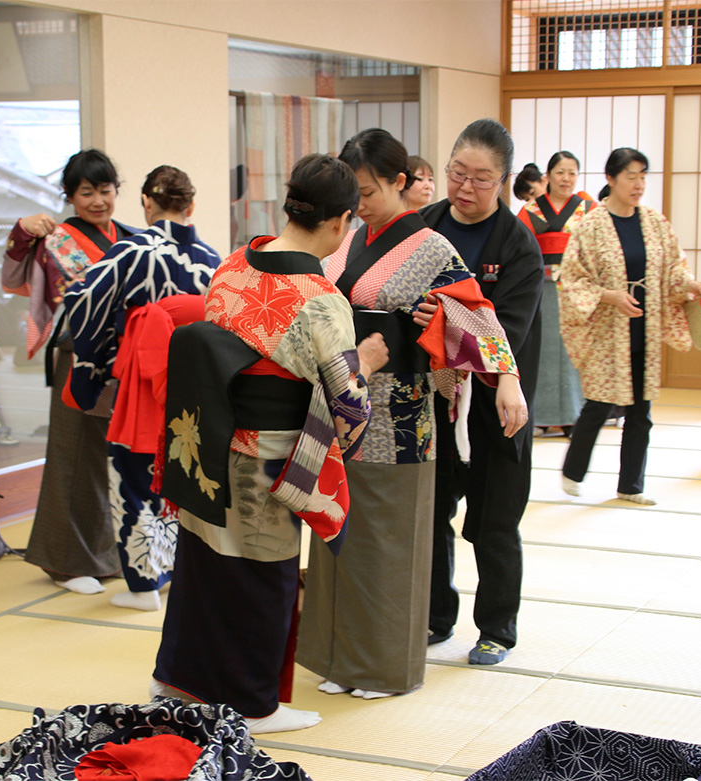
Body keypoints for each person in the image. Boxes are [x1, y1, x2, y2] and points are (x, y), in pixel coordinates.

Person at [151, 154, 386, 734]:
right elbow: (349, 409)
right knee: (264, 578)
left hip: (207, 441)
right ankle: (256, 705)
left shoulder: (233, 265)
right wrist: (369, 362)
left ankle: (181, 679)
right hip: (269, 456)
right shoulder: (320, 297)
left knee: (205, 566)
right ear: (342, 223)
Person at [297, 129, 526, 699]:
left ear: (400, 183)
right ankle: (340, 656)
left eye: (369, 191)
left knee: (387, 539)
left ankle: (381, 666)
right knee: (338, 531)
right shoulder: (352, 240)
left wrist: (504, 377)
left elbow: (480, 320)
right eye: (355, 195)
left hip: (399, 413)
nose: (360, 205)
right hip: (343, 402)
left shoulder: (432, 248)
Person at [62, 165, 221, 611]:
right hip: (193, 385)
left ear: (147, 205)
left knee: (134, 475)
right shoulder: (214, 259)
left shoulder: (129, 252)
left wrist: (97, 364)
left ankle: (144, 585)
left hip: (143, 381)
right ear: (190, 206)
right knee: (182, 477)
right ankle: (175, 571)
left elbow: (85, 302)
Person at [421, 119, 543, 666]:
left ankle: (496, 628)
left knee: (495, 521)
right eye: (457, 174)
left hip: (497, 403)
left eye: (481, 179)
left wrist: (440, 318)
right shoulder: (423, 228)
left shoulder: (518, 247)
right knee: (431, 514)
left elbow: (504, 336)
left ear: (504, 181)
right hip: (434, 401)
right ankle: (433, 617)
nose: (466, 189)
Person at [1, 149, 136, 596]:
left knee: (115, 460)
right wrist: (23, 232)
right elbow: (14, 276)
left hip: (124, 359)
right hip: (79, 356)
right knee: (73, 455)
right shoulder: (57, 238)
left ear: (117, 191)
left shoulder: (130, 237)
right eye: (86, 192)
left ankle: (108, 554)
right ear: (70, 195)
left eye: (105, 190)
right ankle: (64, 561)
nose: (97, 200)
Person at [560, 147, 701, 507]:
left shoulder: (654, 222)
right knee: (598, 404)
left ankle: (631, 485)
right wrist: (609, 296)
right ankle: (573, 472)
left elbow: (673, 267)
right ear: (610, 179)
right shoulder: (590, 225)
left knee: (642, 410)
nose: (639, 184)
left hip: (646, 327)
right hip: (607, 330)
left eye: (643, 176)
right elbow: (572, 279)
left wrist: (692, 285)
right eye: (631, 176)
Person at [517, 151, 596, 436]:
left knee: (575, 352)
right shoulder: (531, 210)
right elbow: (520, 250)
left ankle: (576, 416)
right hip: (542, 291)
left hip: (577, 291)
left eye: (572, 172)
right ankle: (540, 416)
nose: (567, 178)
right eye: (560, 172)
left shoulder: (588, 208)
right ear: (547, 177)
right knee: (544, 352)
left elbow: (599, 250)